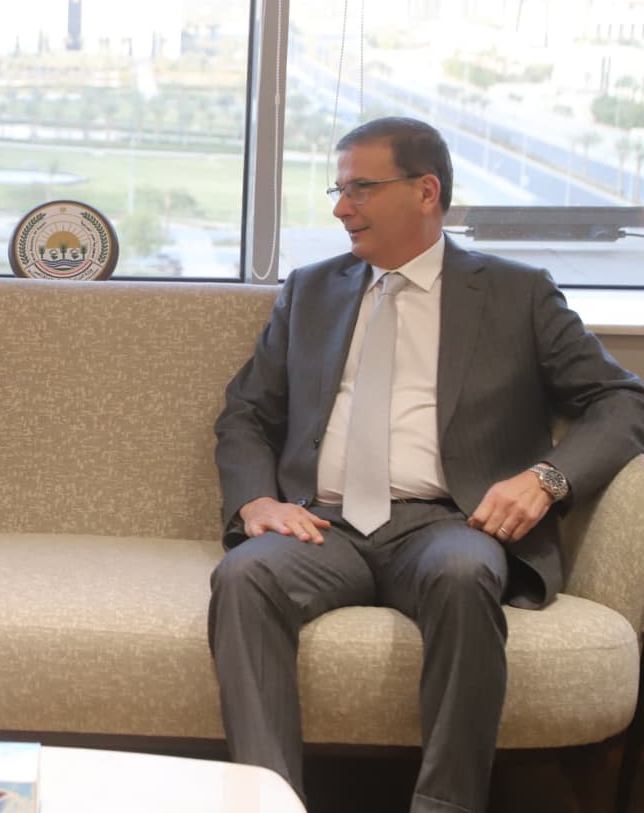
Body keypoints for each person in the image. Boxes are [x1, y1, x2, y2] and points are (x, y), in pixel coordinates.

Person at [209, 116, 644, 813]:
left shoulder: (516, 293)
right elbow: (247, 413)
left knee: (464, 575)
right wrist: (256, 501)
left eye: (360, 188)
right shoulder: (311, 289)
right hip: (323, 525)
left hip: (447, 522)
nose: (341, 208)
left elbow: (622, 400)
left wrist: (546, 479)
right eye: (338, 189)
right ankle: (269, 800)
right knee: (243, 576)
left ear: (426, 191)